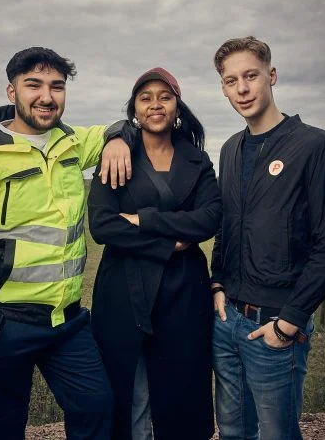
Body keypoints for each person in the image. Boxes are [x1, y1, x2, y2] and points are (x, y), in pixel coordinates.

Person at [0, 47, 132, 440]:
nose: (47, 96)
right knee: (4, 426)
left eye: (56, 86)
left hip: (67, 321)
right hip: (5, 322)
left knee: (97, 407)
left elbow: (121, 124)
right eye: (34, 85)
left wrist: (117, 139)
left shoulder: (72, 143)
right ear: (11, 91)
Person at [210, 36, 325, 440]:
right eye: (231, 81)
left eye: (250, 76)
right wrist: (217, 284)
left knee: (276, 434)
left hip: (275, 327)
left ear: (272, 75)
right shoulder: (230, 149)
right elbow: (226, 226)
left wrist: (289, 322)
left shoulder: (316, 146)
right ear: (223, 88)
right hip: (226, 322)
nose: (242, 89)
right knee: (232, 432)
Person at [88, 67, 222, 440]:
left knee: (181, 392)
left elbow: (209, 218)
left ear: (177, 106)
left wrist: (143, 220)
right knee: (128, 391)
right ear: (134, 109)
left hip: (185, 294)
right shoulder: (116, 156)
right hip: (123, 293)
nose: (155, 104)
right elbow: (102, 226)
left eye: (165, 97)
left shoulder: (198, 160)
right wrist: (171, 240)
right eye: (145, 98)